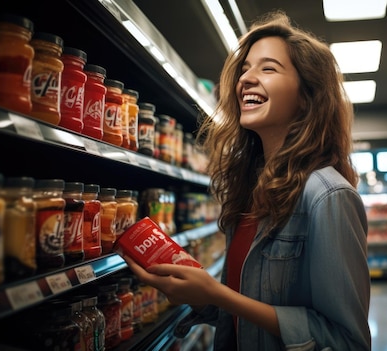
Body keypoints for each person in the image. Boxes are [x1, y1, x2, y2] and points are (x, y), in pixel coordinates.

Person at [123, 10, 371, 351]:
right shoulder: (248, 191)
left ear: (305, 96)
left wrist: (218, 294)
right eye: (245, 69)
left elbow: (346, 341)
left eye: (268, 68)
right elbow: (240, 311)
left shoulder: (327, 196)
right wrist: (196, 293)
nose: (246, 79)